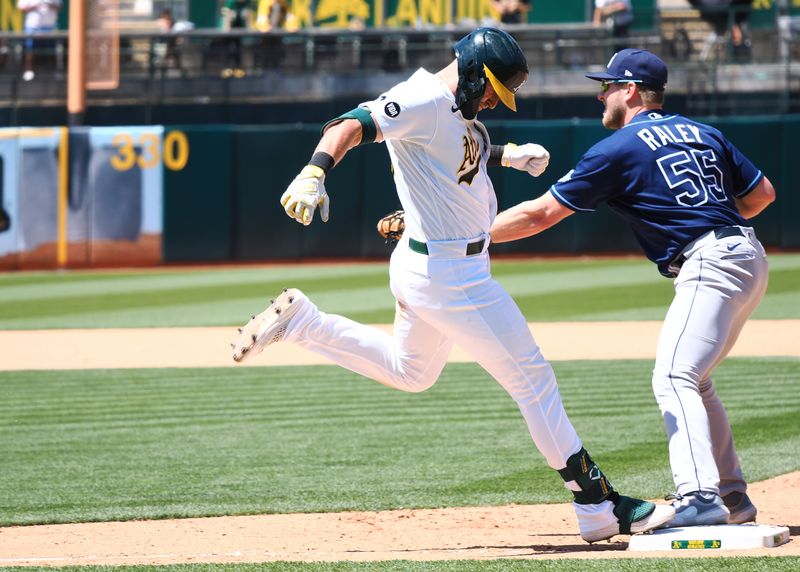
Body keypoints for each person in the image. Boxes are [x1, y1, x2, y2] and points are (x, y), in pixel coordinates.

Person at [231, 28, 675, 543]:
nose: (492, 100)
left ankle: (306, 323)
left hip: (429, 265)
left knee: (411, 372)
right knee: (534, 380)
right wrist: (314, 171)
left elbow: (456, 148)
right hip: (452, 275)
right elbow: (350, 124)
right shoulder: (419, 97)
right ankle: (598, 507)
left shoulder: (455, 110)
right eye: (490, 89)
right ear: (470, 69)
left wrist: (506, 154)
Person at [488, 48, 775, 527]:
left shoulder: (618, 147)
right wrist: (713, 223)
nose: (601, 94)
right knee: (695, 378)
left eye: (607, 85)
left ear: (631, 90)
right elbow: (762, 195)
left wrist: (461, 236)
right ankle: (730, 499)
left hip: (710, 262)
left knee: (673, 377)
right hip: (749, 257)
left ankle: (699, 499)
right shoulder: (703, 132)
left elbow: (539, 214)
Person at [17, 0, 62, 82]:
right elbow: (21, 8)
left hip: (50, 27)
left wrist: (49, 5)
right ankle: (29, 70)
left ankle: (56, 73)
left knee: (52, 51)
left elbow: (59, 6)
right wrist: (34, 6)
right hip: (32, 26)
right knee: (30, 50)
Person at [219, 0, 252, 78]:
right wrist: (227, 28)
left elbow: (248, 15)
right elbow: (226, 15)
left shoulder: (246, 3)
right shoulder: (231, 2)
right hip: (228, 30)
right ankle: (227, 68)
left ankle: (238, 69)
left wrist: (248, 27)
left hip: (238, 29)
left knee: (239, 49)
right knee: (228, 49)